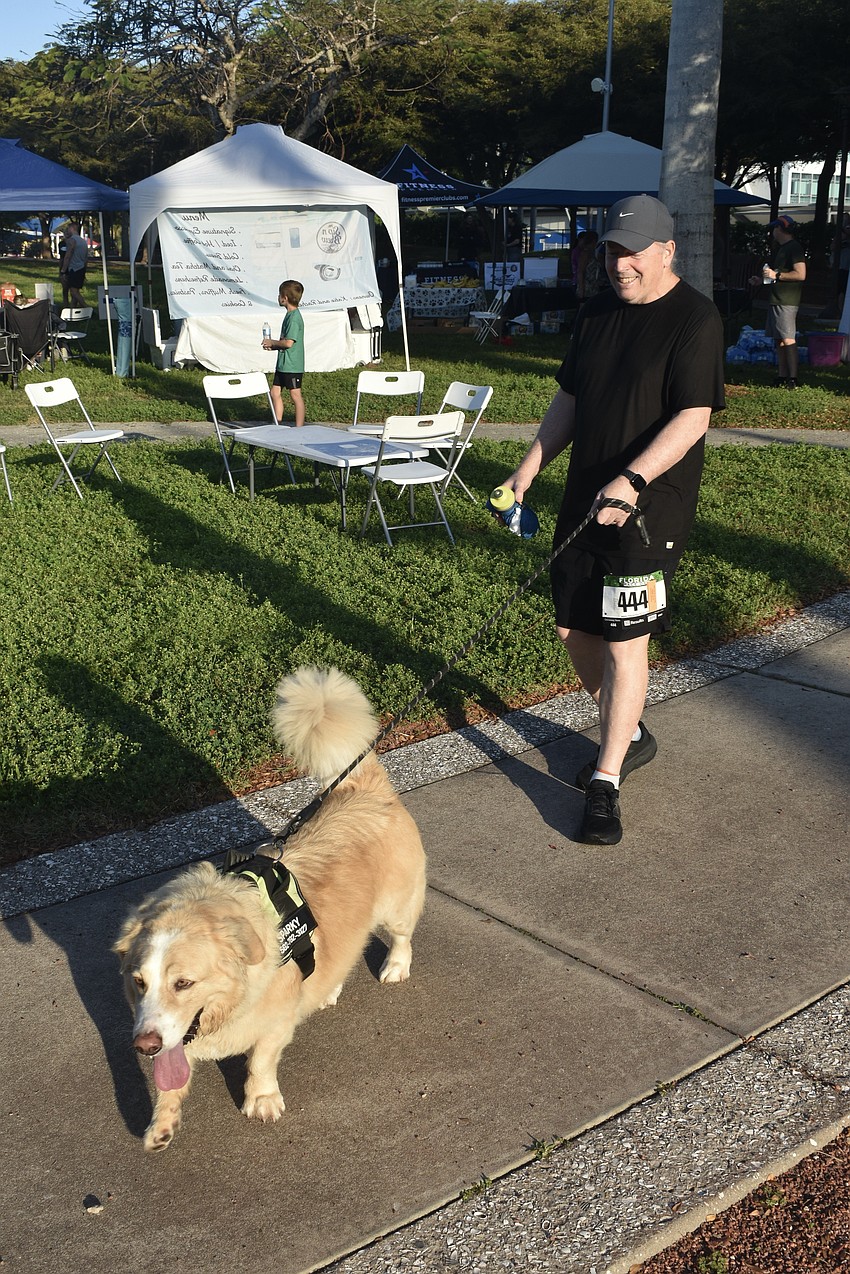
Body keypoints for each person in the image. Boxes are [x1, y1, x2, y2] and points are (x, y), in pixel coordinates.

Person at [498, 194, 725, 846]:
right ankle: (629, 729)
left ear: (666, 251)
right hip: (582, 500)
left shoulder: (695, 320)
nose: (619, 265)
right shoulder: (597, 311)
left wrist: (632, 480)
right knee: (574, 629)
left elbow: (693, 417)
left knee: (626, 641)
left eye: (632, 253)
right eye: (611, 251)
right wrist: (528, 469)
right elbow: (569, 397)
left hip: (649, 511)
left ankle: (606, 780)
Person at [749, 214, 806, 388]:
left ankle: (793, 379)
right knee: (778, 339)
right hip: (776, 299)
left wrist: (777, 275)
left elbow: (800, 274)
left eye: (774, 228)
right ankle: (782, 376)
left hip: (786, 301)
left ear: (780, 229)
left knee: (788, 339)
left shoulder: (794, 248)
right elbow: (777, 275)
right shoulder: (782, 248)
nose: (773, 231)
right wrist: (762, 280)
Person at [263, 279, 305, 427]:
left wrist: (273, 342)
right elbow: (285, 342)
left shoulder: (294, 318)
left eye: (279, 294)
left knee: (295, 395)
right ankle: (277, 424)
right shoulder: (289, 315)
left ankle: (299, 428)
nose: (278, 297)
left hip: (292, 365)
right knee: (275, 392)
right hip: (283, 364)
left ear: (285, 297)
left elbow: (288, 343)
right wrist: (273, 347)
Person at [60, 221, 88, 308]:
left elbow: (68, 255)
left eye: (68, 228)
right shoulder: (83, 242)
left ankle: (87, 308)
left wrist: (63, 270)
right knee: (76, 290)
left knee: (73, 291)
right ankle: (72, 309)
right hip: (81, 267)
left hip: (74, 268)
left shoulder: (72, 240)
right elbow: (86, 258)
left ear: (72, 229)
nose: (67, 230)